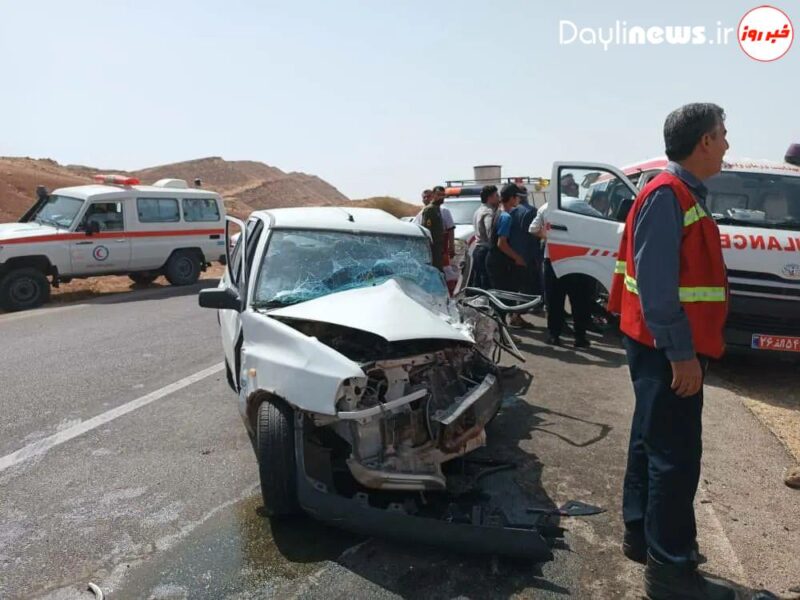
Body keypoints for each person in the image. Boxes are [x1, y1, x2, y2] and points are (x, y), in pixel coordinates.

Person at [608, 103, 733, 600]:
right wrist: (682, 355)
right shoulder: (669, 194)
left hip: (656, 345)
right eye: (722, 135)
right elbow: (659, 288)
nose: (726, 144)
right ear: (703, 141)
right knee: (675, 458)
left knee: (650, 441)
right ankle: (671, 571)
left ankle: (642, 537)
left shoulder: (675, 193)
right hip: (667, 350)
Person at [529, 182, 594, 348]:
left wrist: (551, 237)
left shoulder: (546, 207)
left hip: (553, 260)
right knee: (579, 301)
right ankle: (580, 338)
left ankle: (554, 335)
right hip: (578, 259)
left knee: (554, 301)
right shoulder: (580, 205)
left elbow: (533, 229)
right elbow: (598, 222)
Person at [486, 185, 525, 291]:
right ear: (512, 198)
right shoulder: (506, 217)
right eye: (517, 197)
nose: (519, 199)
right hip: (499, 263)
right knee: (506, 298)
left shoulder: (498, 211)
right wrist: (518, 258)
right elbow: (501, 244)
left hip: (493, 260)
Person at [471, 185, 499, 289]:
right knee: (487, 282)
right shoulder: (488, 212)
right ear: (490, 197)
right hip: (485, 250)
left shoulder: (478, 210)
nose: (498, 198)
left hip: (478, 249)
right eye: (496, 195)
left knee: (479, 280)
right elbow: (490, 232)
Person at [420, 188, 445, 271]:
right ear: (433, 195)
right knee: (436, 269)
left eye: (443, 195)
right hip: (432, 246)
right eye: (438, 195)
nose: (441, 197)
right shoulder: (430, 209)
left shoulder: (437, 208)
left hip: (438, 245)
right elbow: (426, 230)